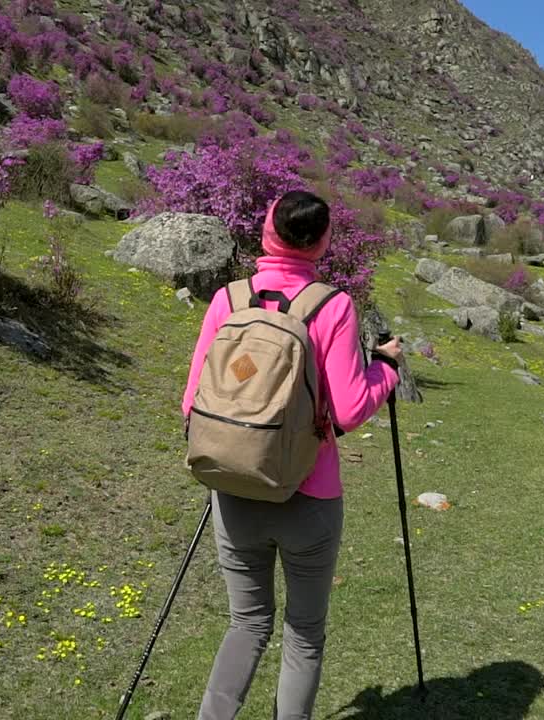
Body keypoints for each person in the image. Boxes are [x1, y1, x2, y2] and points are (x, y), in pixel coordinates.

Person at [181, 190, 403, 719]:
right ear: (323, 241)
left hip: (232, 487)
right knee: (303, 633)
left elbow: (192, 404)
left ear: (267, 231)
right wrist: (387, 369)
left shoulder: (228, 301)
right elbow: (348, 411)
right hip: (309, 495)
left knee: (246, 623)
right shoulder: (333, 306)